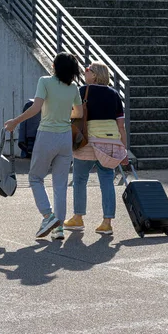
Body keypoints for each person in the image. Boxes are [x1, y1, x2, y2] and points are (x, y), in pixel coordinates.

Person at [4, 52, 83, 240]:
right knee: (60, 185)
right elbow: (79, 113)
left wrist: (15, 122)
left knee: (35, 178)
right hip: (65, 138)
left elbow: (35, 108)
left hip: (47, 135)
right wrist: (63, 113)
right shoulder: (73, 88)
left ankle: (48, 216)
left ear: (54, 67)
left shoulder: (45, 81)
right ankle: (59, 229)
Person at [64, 61, 128, 236]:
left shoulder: (83, 91)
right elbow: (121, 126)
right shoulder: (115, 94)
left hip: (87, 142)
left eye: (88, 70)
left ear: (95, 74)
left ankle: (78, 218)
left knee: (79, 180)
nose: (85, 72)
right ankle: (107, 222)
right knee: (107, 180)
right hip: (110, 143)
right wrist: (124, 149)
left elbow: (74, 114)